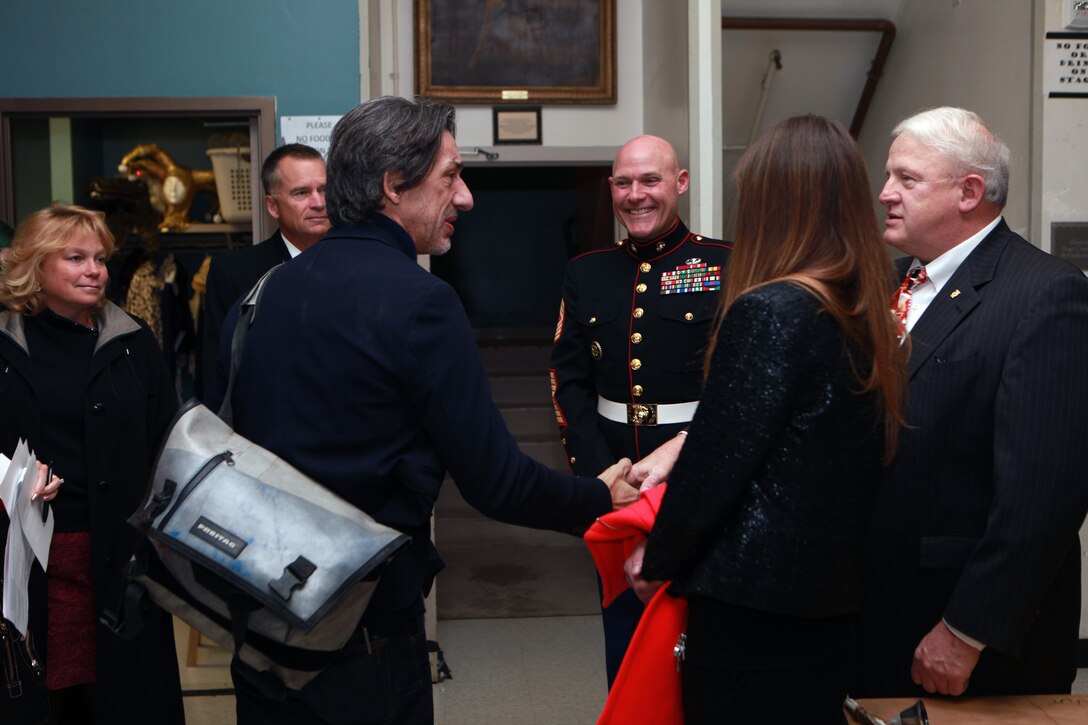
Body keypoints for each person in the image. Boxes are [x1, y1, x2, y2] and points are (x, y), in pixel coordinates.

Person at [222, 95, 637, 725]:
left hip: (264, 609)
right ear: (394, 185)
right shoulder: (420, 302)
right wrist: (597, 498)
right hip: (361, 628)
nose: (466, 197)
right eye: (451, 175)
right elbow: (495, 482)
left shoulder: (267, 289)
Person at [624, 115, 907, 723]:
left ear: (773, 203)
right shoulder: (861, 310)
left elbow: (719, 465)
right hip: (826, 602)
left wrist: (660, 557)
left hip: (751, 608)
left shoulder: (773, 310)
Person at [853, 107, 1088, 698]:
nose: (885, 194)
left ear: (970, 192)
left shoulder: (1044, 295)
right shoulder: (892, 281)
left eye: (907, 179)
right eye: (889, 177)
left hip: (966, 627)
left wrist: (967, 630)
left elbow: (1043, 494)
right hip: (881, 607)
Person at [548, 134, 731, 686]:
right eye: (624, 183)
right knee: (624, 629)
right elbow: (569, 380)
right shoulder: (586, 271)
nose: (636, 194)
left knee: (700, 627)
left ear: (680, 184)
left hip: (700, 469)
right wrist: (599, 474)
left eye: (650, 180)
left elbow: (736, 381)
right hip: (614, 470)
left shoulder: (724, 263)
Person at [0, 203, 184, 723]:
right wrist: (9, 475)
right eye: (75, 257)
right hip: (29, 558)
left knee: (121, 696)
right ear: (36, 265)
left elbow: (169, 442)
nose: (94, 270)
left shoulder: (132, 344)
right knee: (40, 693)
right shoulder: (4, 343)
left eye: (101, 258)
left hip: (116, 555)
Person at [198, 143, 329, 400]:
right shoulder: (235, 272)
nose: (318, 202)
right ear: (273, 206)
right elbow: (214, 370)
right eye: (301, 193)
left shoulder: (355, 265)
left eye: (324, 190)